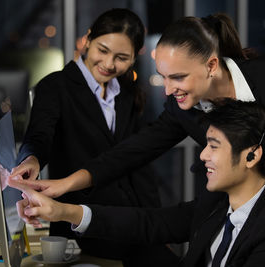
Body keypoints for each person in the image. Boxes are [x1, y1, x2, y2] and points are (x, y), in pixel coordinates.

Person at [11, 13, 265, 264]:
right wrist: (63, 187)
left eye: (177, 77)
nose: (168, 87)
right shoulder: (185, 108)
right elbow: (132, 152)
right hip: (235, 211)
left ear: (210, 66)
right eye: (163, 76)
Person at [9, 99, 265, 266]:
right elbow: (151, 222)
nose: (202, 157)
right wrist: (63, 212)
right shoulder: (224, 201)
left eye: (214, 146)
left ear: (252, 157)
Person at [11, 8, 178, 266]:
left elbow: (138, 163)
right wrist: (30, 159)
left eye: (122, 57)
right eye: (103, 50)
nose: (110, 64)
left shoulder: (126, 91)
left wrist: (157, 225)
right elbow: (40, 135)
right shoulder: (55, 86)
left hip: (131, 223)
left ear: (135, 57)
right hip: (82, 226)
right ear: (88, 40)